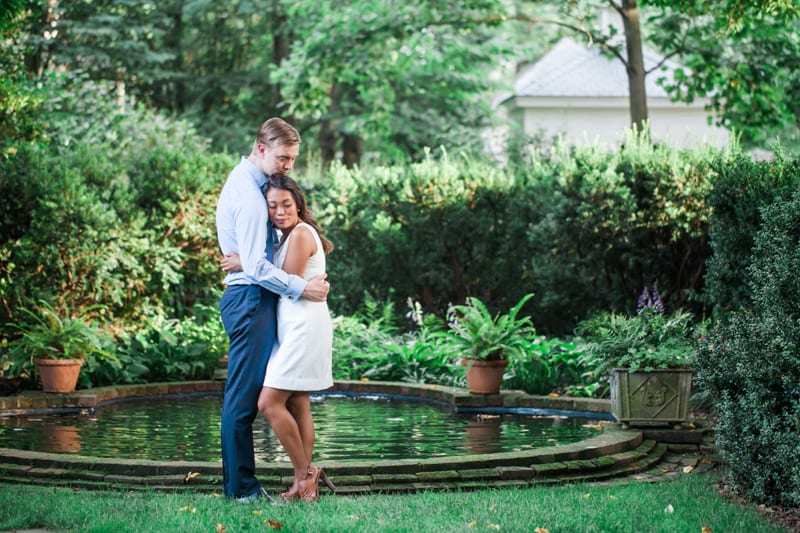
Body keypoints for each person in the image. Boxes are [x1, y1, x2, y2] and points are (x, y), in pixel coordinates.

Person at [215, 117, 329, 502]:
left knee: (280, 398)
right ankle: (243, 490)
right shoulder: (249, 195)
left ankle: (298, 478)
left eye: (292, 159)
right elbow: (259, 266)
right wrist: (303, 287)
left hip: (256, 300)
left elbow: (256, 258)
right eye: (283, 157)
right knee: (244, 402)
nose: (288, 166)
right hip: (250, 300)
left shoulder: (250, 184)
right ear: (261, 149)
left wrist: (246, 262)